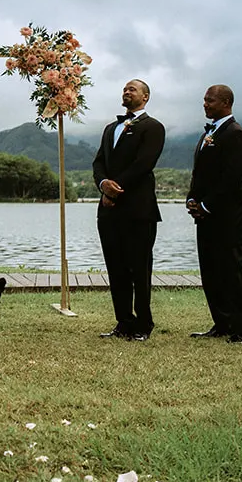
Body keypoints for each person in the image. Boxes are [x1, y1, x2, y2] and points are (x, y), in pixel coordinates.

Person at [91, 79, 167, 341]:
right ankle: (123, 321)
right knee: (116, 268)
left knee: (139, 268)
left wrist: (116, 189)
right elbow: (99, 162)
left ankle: (143, 324)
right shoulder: (110, 128)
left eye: (132, 89)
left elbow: (144, 163)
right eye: (124, 89)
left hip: (138, 210)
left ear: (145, 97)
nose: (126, 92)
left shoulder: (153, 127)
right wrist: (103, 184)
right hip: (108, 211)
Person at [186, 85, 242, 343]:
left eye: (210, 100)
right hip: (205, 216)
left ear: (226, 102)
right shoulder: (209, 134)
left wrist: (207, 205)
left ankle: (241, 329)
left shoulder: (235, 133)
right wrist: (192, 199)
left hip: (228, 217)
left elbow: (231, 178)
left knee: (231, 272)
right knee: (210, 272)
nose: (205, 104)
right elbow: (199, 173)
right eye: (204, 99)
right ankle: (221, 323)